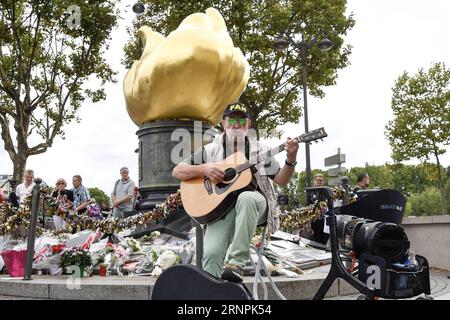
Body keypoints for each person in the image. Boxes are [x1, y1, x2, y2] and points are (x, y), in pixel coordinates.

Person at [172, 103, 298, 282]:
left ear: (248, 124)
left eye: (241, 120)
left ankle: (236, 264)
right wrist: (205, 169)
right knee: (212, 255)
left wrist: (291, 159)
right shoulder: (211, 150)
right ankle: (212, 294)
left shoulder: (260, 150)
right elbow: (178, 171)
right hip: (221, 209)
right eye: (232, 119)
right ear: (223, 124)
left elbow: (282, 180)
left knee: (247, 198)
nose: (236, 124)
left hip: (255, 205)